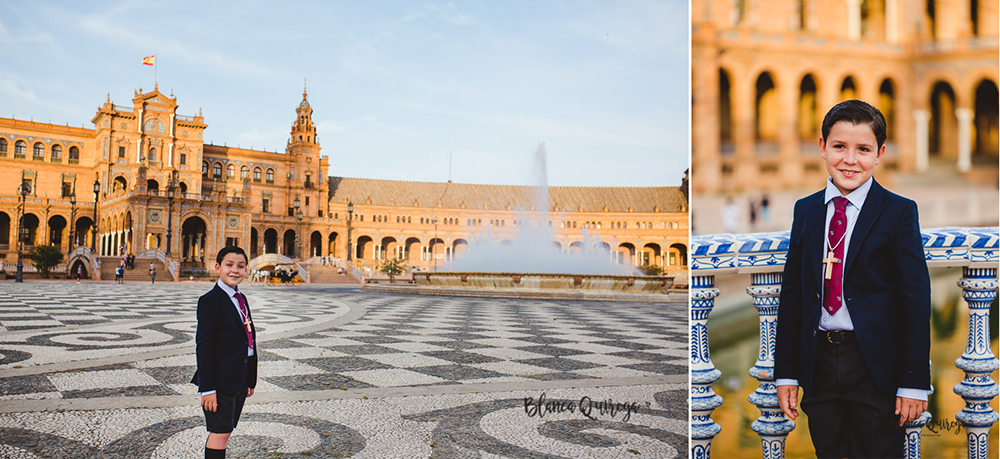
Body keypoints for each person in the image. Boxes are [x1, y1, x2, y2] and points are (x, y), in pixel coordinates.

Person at [774, 100, 930, 459]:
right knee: (828, 450)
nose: (850, 159)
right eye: (839, 147)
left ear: (880, 154)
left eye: (863, 149)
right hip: (820, 364)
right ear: (822, 147)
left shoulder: (899, 211)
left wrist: (913, 381)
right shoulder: (807, 210)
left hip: (876, 366)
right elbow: (793, 296)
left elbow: (915, 300)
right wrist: (786, 374)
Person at [190, 246, 257, 459]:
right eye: (229, 265)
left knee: (226, 431)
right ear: (218, 267)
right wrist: (207, 388)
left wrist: (250, 379)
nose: (235, 270)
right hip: (219, 382)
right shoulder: (210, 301)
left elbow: (248, 339)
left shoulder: (240, 298)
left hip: (238, 377)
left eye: (240, 266)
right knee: (219, 433)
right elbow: (204, 346)